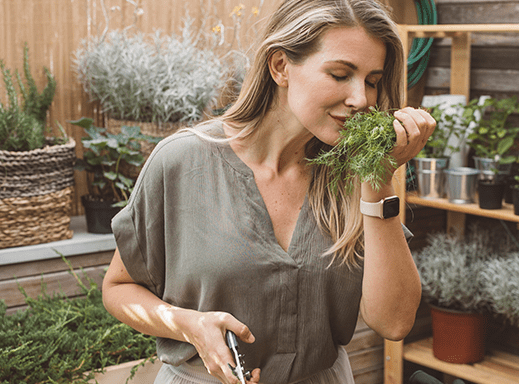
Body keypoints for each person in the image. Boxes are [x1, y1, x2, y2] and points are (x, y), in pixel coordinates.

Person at [101, 0, 436, 383]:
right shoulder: (182, 162)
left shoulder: (355, 173)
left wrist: (377, 181)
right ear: (281, 67)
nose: (361, 98)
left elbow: (393, 321)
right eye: (340, 74)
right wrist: (186, 324)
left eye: (372, 81)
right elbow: (119, 287)